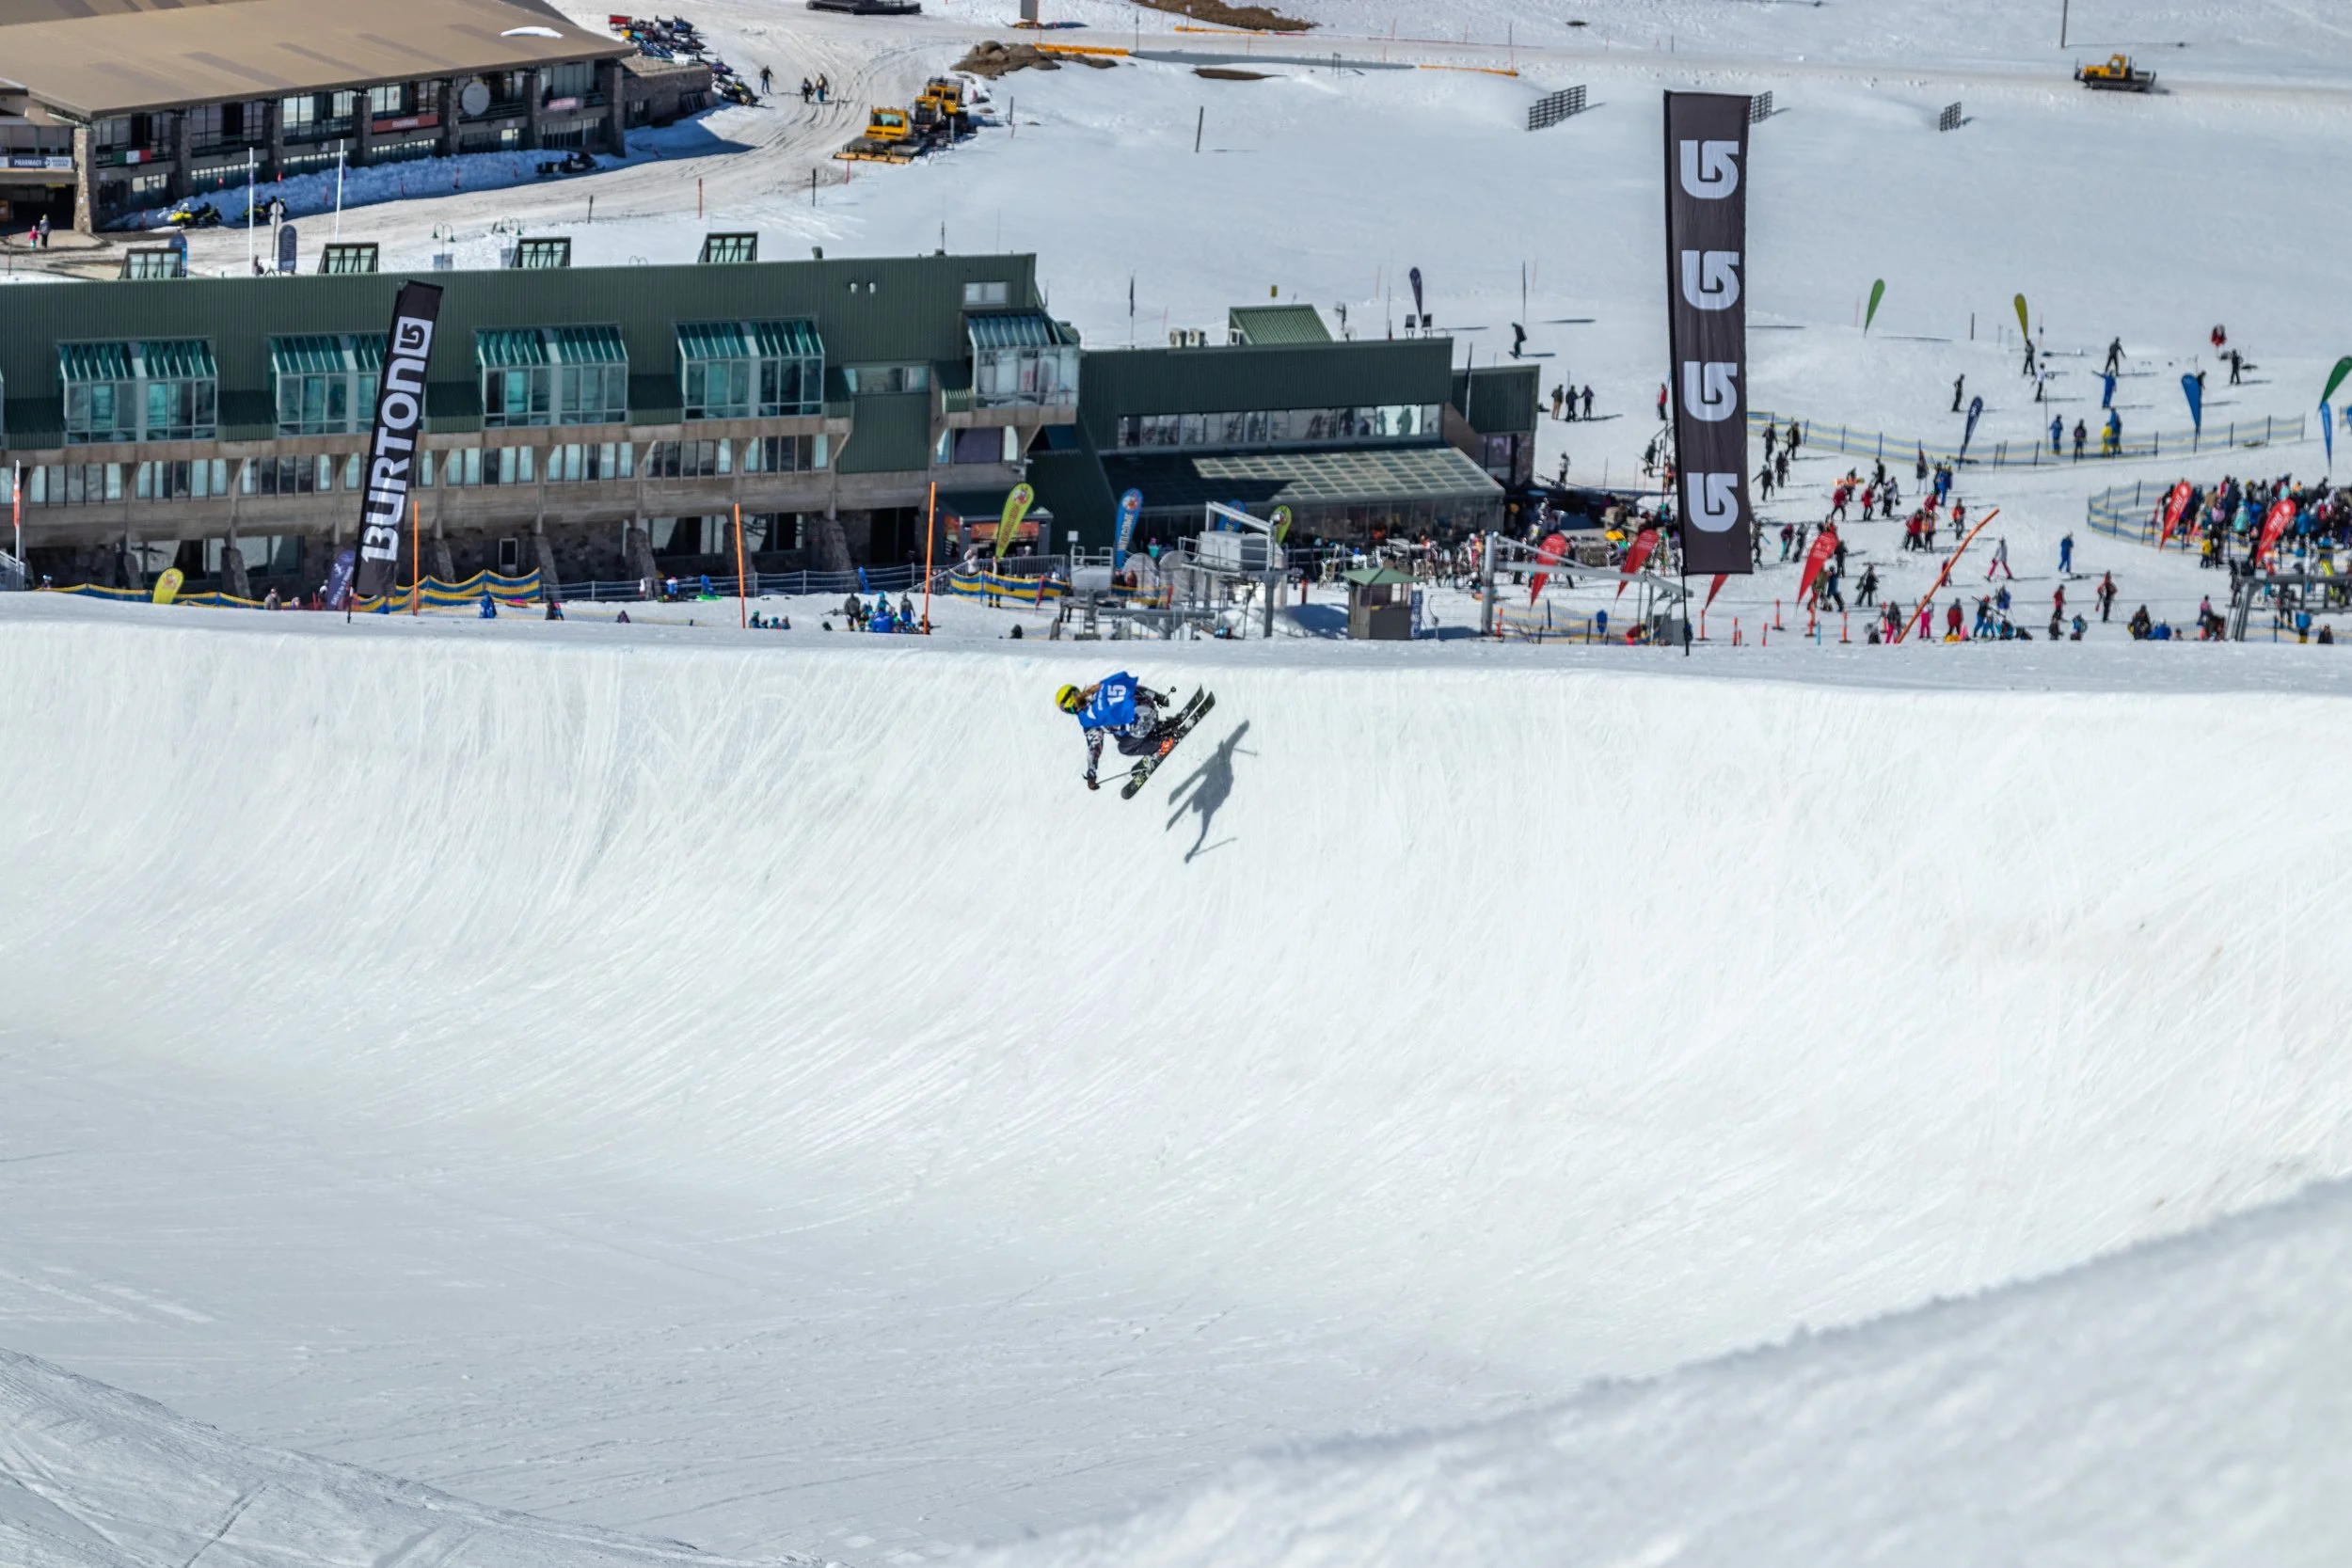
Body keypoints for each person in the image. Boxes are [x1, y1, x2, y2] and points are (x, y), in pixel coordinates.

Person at [1057, 673, 1183, 790]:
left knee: (1124, 748)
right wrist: (1157, 696)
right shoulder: (1098, 689)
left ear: (1069, 708)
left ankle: (1162, 744)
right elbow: (1133, 688)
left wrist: (1091, 771)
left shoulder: (1088, 718)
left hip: (1142, 722)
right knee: (1120, 735)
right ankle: (1163, 728)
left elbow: (1095, 746)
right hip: (1148, 709)